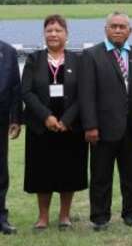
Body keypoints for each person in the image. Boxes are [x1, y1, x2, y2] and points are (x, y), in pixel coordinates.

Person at [22, 14, 87, 230]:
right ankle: (42, 217)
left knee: (68, 172)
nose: (53, 34)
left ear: (66, 35)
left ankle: (64, 216)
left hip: (70, 127)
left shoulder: (78, 60)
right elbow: (27, 92)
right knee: (42, 173)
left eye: (58, 30)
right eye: (49, 30)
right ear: (44, 34)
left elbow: (82, 95)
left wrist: (67, 119)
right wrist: (46, 116)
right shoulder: (33, 60)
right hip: (41, 127)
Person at [80, 12, 132, 231]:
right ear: (105, 29)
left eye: (122, 27)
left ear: (130, 31)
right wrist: (90, 126)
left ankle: (131, 213)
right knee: (100, 175)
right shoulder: (91, 55)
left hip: (131, 128)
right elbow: (86, 94)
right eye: (114, 26)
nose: (118, 30)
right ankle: (99, 217)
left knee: (131, 174)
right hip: (102, 128)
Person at [0, 40, 22, 235]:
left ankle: (1, 217)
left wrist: (15, 118)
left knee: (0, 171)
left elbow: (16, 87)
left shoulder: (8, 52)